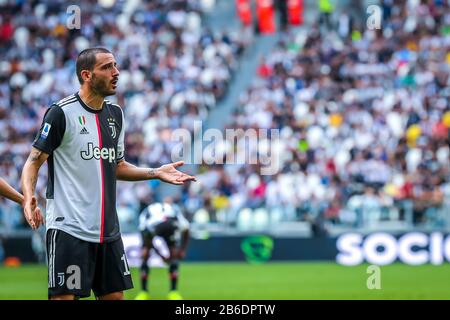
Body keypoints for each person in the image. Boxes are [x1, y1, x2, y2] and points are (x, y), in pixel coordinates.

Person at [21, 47, 196, 300]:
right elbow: (33, 161)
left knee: (115, 297)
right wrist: (28, 196)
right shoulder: (61, 113)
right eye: (107, 67)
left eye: (115, 65)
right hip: (69, 228)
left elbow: (117, 166)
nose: (116, 72)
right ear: (87, 75)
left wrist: (155, 172)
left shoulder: (116, 115)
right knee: (63, 298)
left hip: (108, 231)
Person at [135, 201, 190, 300]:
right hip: (152, 222)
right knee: (145, 253)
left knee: (174, 254)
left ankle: (173, 292)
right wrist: (161, 255)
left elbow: (186, 231)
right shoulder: (148, 224)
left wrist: (182, 250)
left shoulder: (178, 220)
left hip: (165, 220)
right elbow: (148, 242)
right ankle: (144, 292)